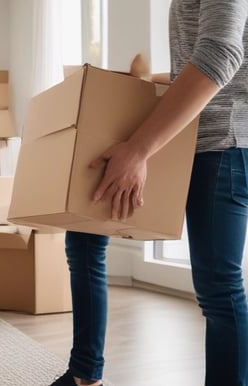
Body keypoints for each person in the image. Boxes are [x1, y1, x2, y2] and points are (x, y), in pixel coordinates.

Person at [52, 1, 248, 385]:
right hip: (184, 136)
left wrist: (139, 149)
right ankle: (84, 375)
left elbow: (221, 54)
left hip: (221, 142)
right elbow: (197, 64)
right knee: (85, 231)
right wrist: (134, 84)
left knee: (218, 288)